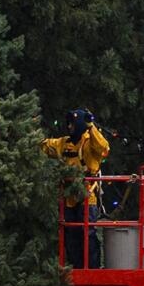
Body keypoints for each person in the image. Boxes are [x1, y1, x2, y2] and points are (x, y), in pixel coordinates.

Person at [42, 108, 110, 268]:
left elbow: (104, 147)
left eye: (72, 124)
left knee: (88, 233)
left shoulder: (89, 142)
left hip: (88, 195)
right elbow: (45, 146)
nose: (69, 127)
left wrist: (91, 127)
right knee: (71, 233)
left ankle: (92, 268)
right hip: (69, 196)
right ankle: (76, 266)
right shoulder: (64, 143)